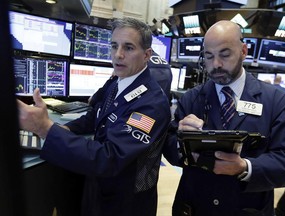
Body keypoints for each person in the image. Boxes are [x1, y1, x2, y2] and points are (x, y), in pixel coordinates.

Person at [17, 17, 171, 216]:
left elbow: (109, 158)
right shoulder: (118, 82)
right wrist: (67, 129)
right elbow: (95, 115)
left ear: (146, 55)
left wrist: (46, 128)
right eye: (114, 46)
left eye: (129, 48)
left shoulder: (152, 104)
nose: (118, 55)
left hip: (124, 203)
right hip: (98, 188)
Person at [163, 20, 285, 216]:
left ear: (244, 51)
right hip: (194, 207)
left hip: (247, 209)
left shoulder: (277, 101)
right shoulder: (192, 98)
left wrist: (245, 167)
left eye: (225, 54)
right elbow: (168, 146)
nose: (216, 65)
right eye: (209, 56)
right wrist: (181, 142)